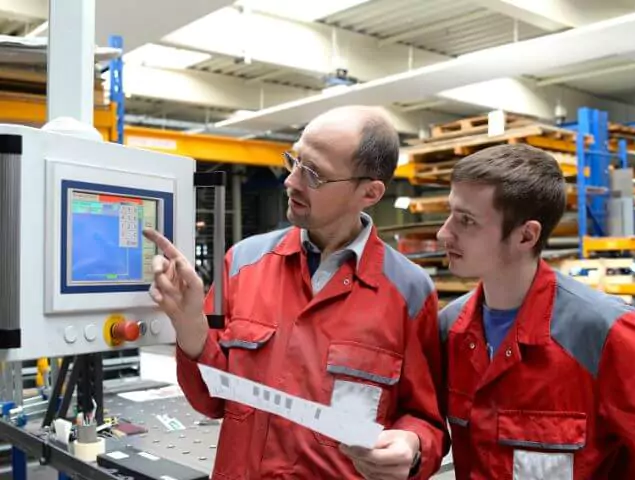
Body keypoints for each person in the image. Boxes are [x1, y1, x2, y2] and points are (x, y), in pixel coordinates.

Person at [144, 105, 448, 479]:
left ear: (369, 192)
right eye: (295, 160)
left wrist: (413, 445)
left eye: (314, 174)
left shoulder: (410, 292)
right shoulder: (242, 262)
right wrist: (190, 324)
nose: (291, 181)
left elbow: (426, 419)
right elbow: (211, 401)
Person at [437, 143, 635, 479]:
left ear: (525, 235)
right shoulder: (451, 329)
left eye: (466, 220)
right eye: (450, 214)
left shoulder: (606, 335)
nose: (444, 232)